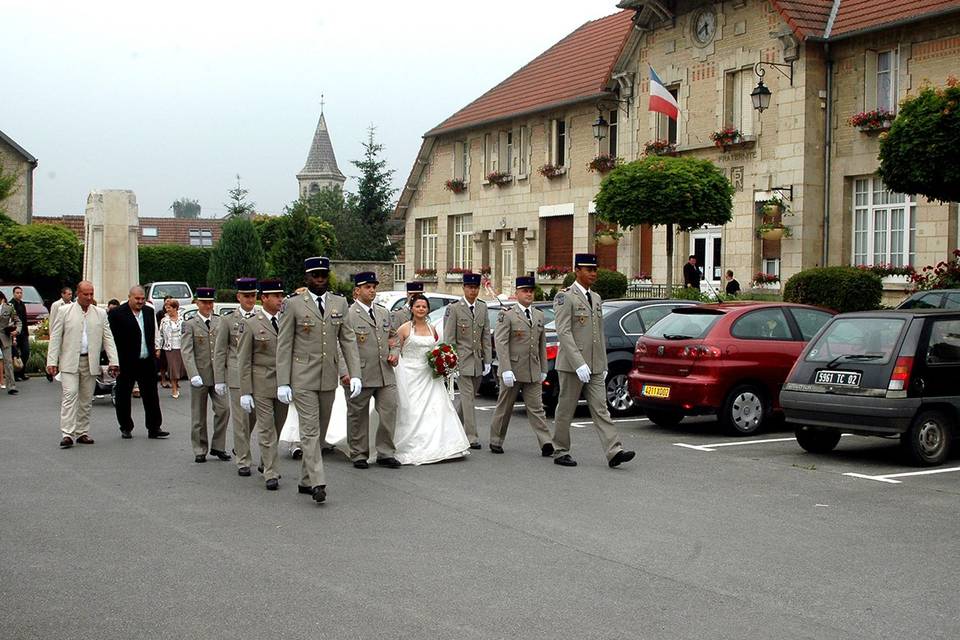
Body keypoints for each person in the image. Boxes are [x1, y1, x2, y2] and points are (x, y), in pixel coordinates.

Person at [276, 256, 362, 504]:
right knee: (310, 431)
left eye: (324, 275)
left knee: (320, 432)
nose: (320, 280)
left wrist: (355, 373)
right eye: (315, 275)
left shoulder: (339, 302)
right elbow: (284, 345)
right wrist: (283, 381)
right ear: (307, 277)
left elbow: (347, 339)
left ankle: (305, 479)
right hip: (302, 377)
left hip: (328, 377)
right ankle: (318, 482)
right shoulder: (292, 305)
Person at [551, 254, 635, 468]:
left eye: (595, 269)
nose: (593, 273)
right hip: (572, 365)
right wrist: (578, 363)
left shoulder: (596, 298)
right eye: (589, 269)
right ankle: (561, 450)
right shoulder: (565, 297)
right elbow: (564, 332)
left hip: (595, 365)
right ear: (577, 270)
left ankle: (614, 451)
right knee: (566, 409)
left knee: (600, 408)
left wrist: (603, 363)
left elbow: (598, 333)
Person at [393, 293, 470, 465]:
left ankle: (443, 445)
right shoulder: (404, 328)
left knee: (437, 408)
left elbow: (436, 349)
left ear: (428, 309)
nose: (421, 309)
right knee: (410, 409)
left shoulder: (432, 328)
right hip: (410, 373)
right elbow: (395, 349)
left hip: (429, 374)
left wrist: (443, 362)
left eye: (424, 307)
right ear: (412, 308)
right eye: (418, 306)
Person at [46, 281, 119, 448]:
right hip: (69, 361)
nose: (89, 297)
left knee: (86, 399)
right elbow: (55, 336)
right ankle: (67, 434)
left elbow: (108, 338)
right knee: (70, 395)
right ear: (77, 294)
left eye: (91, 294)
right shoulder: (64, 311)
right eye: (86, 294)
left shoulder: (100, 313)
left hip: (90, 361)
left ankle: (82, 432)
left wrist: (114, 361)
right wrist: (52, 361)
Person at [489, 276, 554, 456]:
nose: (529, 294)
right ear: (516, 293)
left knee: (537, 408)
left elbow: (541, 343)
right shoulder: (507, 314)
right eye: (525, 291)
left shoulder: (539, 315)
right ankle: (496, 440)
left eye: (531, 291)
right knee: (505, 407)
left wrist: (543, 368)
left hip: (532, 369)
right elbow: (500, 342)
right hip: (513, 369)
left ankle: (546, 442)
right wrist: (506, 368)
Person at [344, 271, 401, 469]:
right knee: (357, 414)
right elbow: (339, 344)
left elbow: (393, 336)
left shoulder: (383, 312)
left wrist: (395, 351)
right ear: (357, 290)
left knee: (389, 410)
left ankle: (385, 452)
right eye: (368, 287)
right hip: (360, 372)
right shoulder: (349, 314)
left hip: (385, 372)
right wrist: (345, 372)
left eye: (374, 287)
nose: (372, 290)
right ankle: (358, 453)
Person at [238, 279, 288, 490]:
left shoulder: (287, 320)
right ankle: (271, 472)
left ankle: (266, 461)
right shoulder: (251, 323)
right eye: (275, 296)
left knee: (278, 426)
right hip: (261, 384)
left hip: (284, 384)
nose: (280, 299)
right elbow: (243, 359)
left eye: (281, 295)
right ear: (264, 298)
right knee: (266, 429)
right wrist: (245, 391)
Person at [107, 286, 168, 439]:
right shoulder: (116, 314)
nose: (140, 302)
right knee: (123, 396)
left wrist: (156, 348)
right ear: (130, 297)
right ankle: (126, 426)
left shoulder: (149, 311)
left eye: (142, 299)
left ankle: (154, 427)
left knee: (151, 395)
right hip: (126, 362)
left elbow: (153, 331)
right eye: (137, 299)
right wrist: (113, 360)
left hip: (146, 360)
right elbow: (110, 338)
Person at [181, 287, 230, 463]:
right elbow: (187, 351)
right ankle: (200, 448)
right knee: (198, 415)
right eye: (204, 302)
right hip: (200, 375)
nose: (208, 306)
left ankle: (218, 446)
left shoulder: (220, 322)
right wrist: (193, 374)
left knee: (224, 410)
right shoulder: (190, 324)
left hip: (218, 376)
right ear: (197, 303)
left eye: (210, 302)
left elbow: (225, 348)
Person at [215, 278, 259, 476]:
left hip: (258, 375)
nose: (250, 300)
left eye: (253, 296)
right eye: (246, 296)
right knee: (241, 419)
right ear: (238, 297)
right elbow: (220, 351)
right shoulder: (228, 320)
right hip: (236, 375)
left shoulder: (261, 317)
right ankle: (243, 459)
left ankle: (241, 447)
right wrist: (219, 379)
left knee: (256, 418)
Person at [442, 272, 491, 449]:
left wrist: (487, 359)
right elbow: (449, 338)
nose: (473, 291)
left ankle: (450, 426)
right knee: (469, 399)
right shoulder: (454, 308)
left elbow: (485, 334)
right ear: (463, 288)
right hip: (462, 360)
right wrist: (451, 362)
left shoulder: (482, 308)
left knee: (467, 398)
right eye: (470, 287)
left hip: (478, 360)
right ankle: (471, 436)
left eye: (476, 288)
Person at [155, 299, 185, 399]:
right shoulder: (164, 321)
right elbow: (160, 335)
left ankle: (176, 383)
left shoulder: (182, 319)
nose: (167, 310)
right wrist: (158, 348)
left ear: (175, 308)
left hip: (181, 346)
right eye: (166, 308)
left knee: (179, 368)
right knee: (172, 368)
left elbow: (186, 333)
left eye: (169, 308)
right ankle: (174, 388)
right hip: (169, 347)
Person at [0, 292, 21, 395]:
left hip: (5, 337)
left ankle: (11, 386)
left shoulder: (9, 308)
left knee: (8, 362)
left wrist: (16, 331)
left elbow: (18, 321)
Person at [11, 286, 30, 382]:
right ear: (13, 294)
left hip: (23, 333)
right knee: (15, 355)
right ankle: (15, 374)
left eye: (20, 293)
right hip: (15, 333)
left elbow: (25, 320)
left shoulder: (22, 304)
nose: (19, 294)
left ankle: (22, 372)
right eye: (17, 293)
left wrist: (27, 332)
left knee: (26, 352)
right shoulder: (11, 305)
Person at [156, 296, 174, 388]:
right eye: (167, 301)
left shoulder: (175, 311)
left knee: (172, 363)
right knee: (163, 363)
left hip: (173, 341)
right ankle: (163, 379)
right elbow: (157, 326)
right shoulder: (160, 313)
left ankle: (173, 381)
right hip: (163, 341)